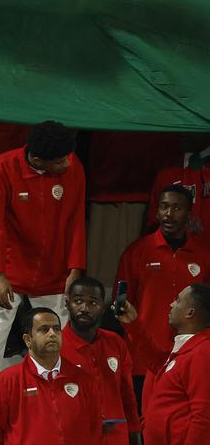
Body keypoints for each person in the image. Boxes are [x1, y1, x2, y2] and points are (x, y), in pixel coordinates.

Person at [0, 120, 87, 403]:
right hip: (8, 271)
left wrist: (76, 267)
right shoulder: (3, 168)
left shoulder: (73, 167)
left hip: (53, 271)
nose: (66, 164)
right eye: (59, 161)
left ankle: (59, 398)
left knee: (57, 340)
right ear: (37, 159)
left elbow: (76, 220)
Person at [116, 185, 209, 399]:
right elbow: (121, 305)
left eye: (176, 208)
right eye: (164, 207)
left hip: (191, 356)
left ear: (189, 213)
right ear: (156, 211)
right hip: (143, 359)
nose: (168, 213)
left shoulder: (204, 254)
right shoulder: (136, 252)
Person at [0, 307, 103, 445]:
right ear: (27, 340)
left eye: (56, 329)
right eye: (44, 329)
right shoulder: (4, 384)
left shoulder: (84, 380)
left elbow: (94, 429)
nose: (52, 334)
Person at [120, 283, 210, 445]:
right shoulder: (188, 348)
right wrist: (133, 324)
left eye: (178, 300)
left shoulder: (203, 352)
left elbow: (204, 416)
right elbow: (156, 362)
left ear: (190, 312)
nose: (171, 304)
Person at [61, 278, 140, 445]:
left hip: (116, 438)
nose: (84, 308)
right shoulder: (56, 346)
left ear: (103, 308)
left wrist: (134, 432)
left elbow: (127, 393)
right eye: (78, 301)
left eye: (93, 303)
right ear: (67, 303)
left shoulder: (115, 342)